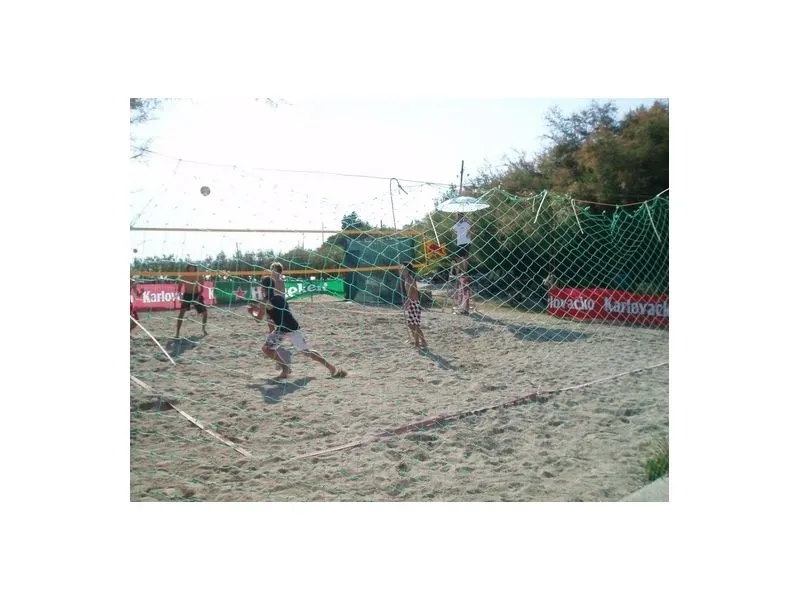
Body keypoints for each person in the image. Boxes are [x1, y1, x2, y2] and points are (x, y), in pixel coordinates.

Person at [261, 294, 347, 379]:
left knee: (306, 352)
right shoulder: (268, 302)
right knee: (267, 349)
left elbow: (268, 316)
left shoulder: (275, 299)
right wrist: (272, 335)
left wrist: (257, 310)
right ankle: (285, 369)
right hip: (283, 329)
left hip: (292, 328)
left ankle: (332, 368)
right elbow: (269, 320)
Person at [175, 264, 208, 338]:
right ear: (188, 269)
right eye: (190, 268)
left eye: (193, 268)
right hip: (187, 295)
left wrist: (197, 298)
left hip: (196, 295)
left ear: (195, 269)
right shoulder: (184, 276)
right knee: (181, 314)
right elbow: (179, 289)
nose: (191, 269)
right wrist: (181, 298)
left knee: (205, 313)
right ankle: (177, 333)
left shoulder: (199, 276)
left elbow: (202, 289)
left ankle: (203, 329)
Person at [400, 262, 428, 349]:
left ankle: (417, 343)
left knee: (414, 325)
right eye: (401, 269)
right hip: (413, 303)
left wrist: (406, 304)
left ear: (408, 270)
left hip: (414, 303)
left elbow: (410, 295)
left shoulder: (409, 280)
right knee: (411, 324)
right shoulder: (407, 279)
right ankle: (422, 341)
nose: (402, 271)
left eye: (404, 269)